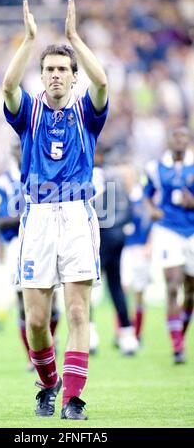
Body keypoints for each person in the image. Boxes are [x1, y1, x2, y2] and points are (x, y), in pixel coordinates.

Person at [2, 0, 109, 419]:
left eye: (63, 69)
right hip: (39, 217)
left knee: (79, 310)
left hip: (78, 215)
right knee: (36, 321)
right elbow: (9, 87)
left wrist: (74, 39)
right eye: (49, 69)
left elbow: (102, 83)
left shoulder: (86, 111)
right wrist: (30, 40)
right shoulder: (28, 112)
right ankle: (48, 384)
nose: (56, 75)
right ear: (42, 76)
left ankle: (73, 400)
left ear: (72, 76)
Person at [0, 140, 61, 371]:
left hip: (45, 241)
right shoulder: (3, 183)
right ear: (12, 152)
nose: (22, 151)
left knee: (53, 300)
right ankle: (32, 356)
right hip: (16, 245)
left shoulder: (44, 174)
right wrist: (26, 215)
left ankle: (49, 341)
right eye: (18, 148)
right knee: (24, 303)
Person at [144, 126, 194, 364]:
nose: (179, 140)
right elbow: (146, 193)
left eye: (183, 136)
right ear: (169, 140)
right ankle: (177, 347)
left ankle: (179, 336)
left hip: (191, 230)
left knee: (191, 291)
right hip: (167, 230)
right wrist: (152, 209)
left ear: (188, 141)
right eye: (175, 135)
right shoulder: (156, 167)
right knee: (173, 286)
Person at [92, 146, 139, 356]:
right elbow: (127, 208)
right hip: (116, 237)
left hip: (100, 238)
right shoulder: (116, 176)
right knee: (115, 287)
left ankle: (90, 335)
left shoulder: (92, 174)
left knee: (88, 287)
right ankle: (128, 334)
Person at [120, 163, 152, 344]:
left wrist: (150, 244)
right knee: (122, 288)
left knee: (139, 292)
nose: (125, 179)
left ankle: (137, 333)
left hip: (140, 247)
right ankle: (123, 331)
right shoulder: (118, 197)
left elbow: (153, 221)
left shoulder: (142, 197)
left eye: (127, 175)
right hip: (123, 249)